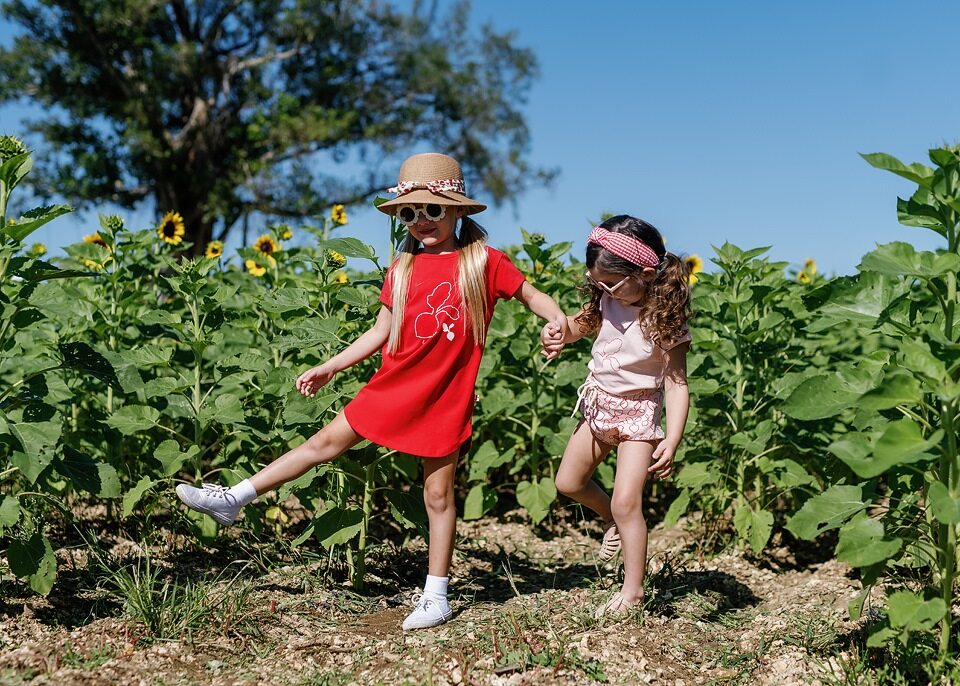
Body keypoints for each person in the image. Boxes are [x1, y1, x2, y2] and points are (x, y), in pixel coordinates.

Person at [176, 153, 566, 630]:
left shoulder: (482, 261)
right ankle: (234, 498)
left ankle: (436, 594)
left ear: (458, 211)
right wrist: (332, 365)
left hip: (445, 393)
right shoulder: (402, 268)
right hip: (394, 384)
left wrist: (556, 320)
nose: (421, 220)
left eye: (433, 210)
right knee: (322, 444)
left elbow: (532, 295)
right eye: (410, 212)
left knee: (438, 495)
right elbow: (380, 331)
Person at [540, 214, 691, 617]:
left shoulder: (666, 321)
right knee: (568, 481)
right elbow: (575, 326)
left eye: (610, 283)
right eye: (598, 283)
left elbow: (676, 384)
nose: (602, 289)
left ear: (644, 273)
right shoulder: (606, 300)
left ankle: (633, 592)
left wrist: (671, 438)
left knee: (628, 503)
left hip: (639, 416)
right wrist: (556, 334)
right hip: (598, 406)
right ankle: (610, 519)